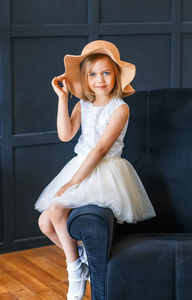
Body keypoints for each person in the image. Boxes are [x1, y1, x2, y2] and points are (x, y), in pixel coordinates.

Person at [35, 40, 157, 300]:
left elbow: (101, 149)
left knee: (56, 212)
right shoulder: (83, 105)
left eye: (106, 73)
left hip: (104, 171)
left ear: (115, 76)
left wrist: (75, 182)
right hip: (79, 165)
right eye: (92, 74)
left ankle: (75, 273)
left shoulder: (120, 108)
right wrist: (63, 98)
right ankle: (81, 259)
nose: (99, 80)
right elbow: (66, 135)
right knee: (44, 222)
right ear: (85, 78)